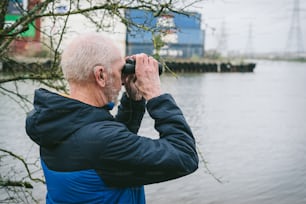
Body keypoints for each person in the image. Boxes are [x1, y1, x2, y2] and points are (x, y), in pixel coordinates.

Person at [25, 32, 198, 204]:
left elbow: (114, 156)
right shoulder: (102, 141)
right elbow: (185, 155)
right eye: (120, 71)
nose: (122, 80)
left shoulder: (55, 123)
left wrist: (133, 99)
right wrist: (154, 94)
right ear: (100, 75)